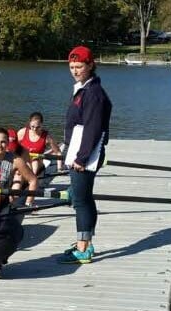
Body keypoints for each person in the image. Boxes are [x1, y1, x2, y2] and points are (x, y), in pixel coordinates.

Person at [58, 45, 112, 264]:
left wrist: (81, 158)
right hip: (79, 152)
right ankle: (86, 243)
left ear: (91, 65)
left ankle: (83, 248)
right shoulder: (83, 88)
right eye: (72, 67)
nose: (75, 70)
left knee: (80, 201)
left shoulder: (93, 94)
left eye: (79, 66)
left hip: (85, 157)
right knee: (85, 199)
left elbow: (92, 129)